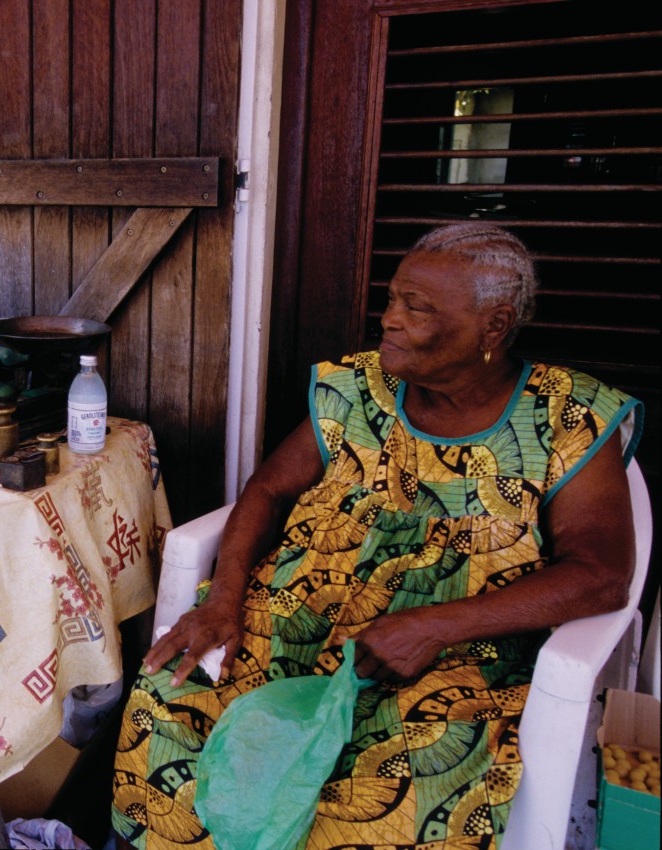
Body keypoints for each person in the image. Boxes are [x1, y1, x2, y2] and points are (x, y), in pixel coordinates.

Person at [111, 222, 643, 849]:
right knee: (173, 697)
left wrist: (436, 626)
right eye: (392, 300)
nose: (389, 320)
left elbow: (601, 575)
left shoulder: (566, 416)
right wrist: (222, 599)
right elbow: (269, 490)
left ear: (493, 327)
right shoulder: (355, 386)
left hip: (455, 651)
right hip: (292, 611)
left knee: (400, 785)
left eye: (415, 308)